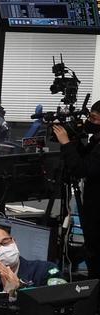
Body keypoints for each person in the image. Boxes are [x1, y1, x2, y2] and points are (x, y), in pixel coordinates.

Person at [54, 100, 100, 279]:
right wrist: (74, 139)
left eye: (95, 119)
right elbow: (85, 158)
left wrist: (66, 143)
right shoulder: (96, 140)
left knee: (94, 251)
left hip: (97, 209)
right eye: (90, 117)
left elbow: (82, 169)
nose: (90, 121)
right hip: (92, 205)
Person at [0, 226, 62, 294]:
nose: (3, 248)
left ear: (14, 242)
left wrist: (20, 288)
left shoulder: (47, 269)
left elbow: (59, 297)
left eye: (6, 242)